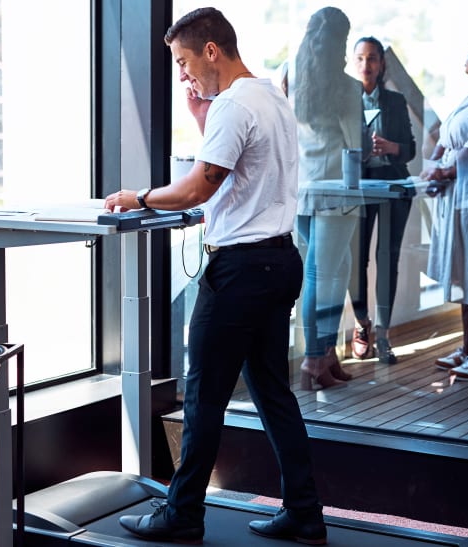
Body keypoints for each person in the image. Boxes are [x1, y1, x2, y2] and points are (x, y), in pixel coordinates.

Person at [105, 8, 328, 545]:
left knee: (204, 393)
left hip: (241, 271)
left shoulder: (234, 104)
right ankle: (304, 513)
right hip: (279, 261)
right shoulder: (270, 95)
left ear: (211, 51)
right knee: (274, 392)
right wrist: (202, 118)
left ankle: (181, 515)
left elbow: (197, 190)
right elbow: (242, 171)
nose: (182, 73)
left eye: (183, 61)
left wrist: (137, 197)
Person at [293, 7, 368, 388]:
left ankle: (326, 354)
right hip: (337, 192)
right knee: (325, 275)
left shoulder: (292, 77)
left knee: (329, 271)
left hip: (303, 192)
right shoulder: (346, 87)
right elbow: (357, 146)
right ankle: (313, 361)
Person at [422, 30, 468, 382]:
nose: (466, 56)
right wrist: (433, 166)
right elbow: (445, 134)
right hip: (456, 198)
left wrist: (443, 171)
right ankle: (467, 347)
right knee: (466, 277)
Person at [347, 37, 417, 364]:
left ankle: (385, 335)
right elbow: (336, 144)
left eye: (372, 58)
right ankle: (363, 326)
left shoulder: (395, 100)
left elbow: (411, 148)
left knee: (387, 259)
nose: (366, 65)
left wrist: (391, 148)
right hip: (358, 190)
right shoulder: (344, 99)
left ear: (381, 63)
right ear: (353, 61)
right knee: (356, 262)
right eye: (360, 58)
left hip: (393, 189)